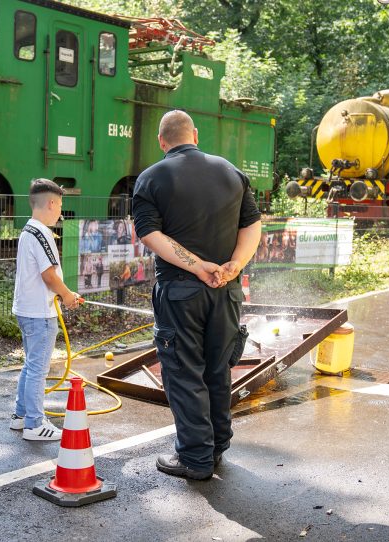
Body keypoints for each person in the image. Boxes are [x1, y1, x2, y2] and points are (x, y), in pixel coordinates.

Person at [132, 110, 261, 480]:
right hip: (226, 290)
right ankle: (216, 448)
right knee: (218, 370)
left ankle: (194, 458)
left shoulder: (151, 178)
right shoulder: (231, 172)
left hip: (180, 293)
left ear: (162, 141)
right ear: (195, 136)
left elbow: (149, 235)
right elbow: (252, 224)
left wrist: (195, 266)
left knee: (185, 371)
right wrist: (233, 264)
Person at [9, 179, 82, 441]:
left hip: (26, 309)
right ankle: (35, 424)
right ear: (51, 203)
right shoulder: (43, 234)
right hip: (40, 314)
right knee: (38, 369)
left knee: (31, 366)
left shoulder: (28, 231)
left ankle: (21, 416)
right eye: (60, 205)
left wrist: (64, 294)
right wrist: (67, 295)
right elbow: (49, 275)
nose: (61, 212)